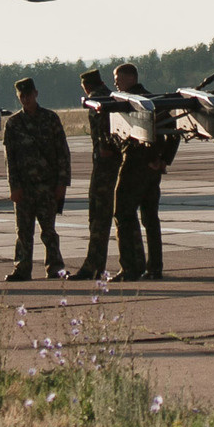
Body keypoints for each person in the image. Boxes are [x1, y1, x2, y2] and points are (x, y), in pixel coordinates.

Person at [111, 62, 181, 282]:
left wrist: (157, 159)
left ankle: (129, 267)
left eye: (118, 78)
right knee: (150, 219)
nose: (116, 83)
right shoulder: (153, 101)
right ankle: (154, 267)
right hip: (152, 169)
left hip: (134, 165)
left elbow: (170, 133)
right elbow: (173, 132)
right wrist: (163, 161)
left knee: (122, 214)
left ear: (131, 78)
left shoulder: (135, 102)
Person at [0, 76, 71, 282]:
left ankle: (55, 268)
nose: (25, 100)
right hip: (24, 188)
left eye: (28, 95)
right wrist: (13, 186)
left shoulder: (50, 119)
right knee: (23, 232)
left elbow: (63, 154)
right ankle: (22, 268)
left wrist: (62, 183)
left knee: (49, 231)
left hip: (47, 187)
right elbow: (9, 159)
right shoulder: (13, 124)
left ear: (36, 94)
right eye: (22, 96)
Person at [76, 69, 119, 281]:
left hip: (104, 167)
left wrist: (103, 146)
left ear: (86, 86)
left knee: (98, 216)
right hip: (115, 166)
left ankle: (93, 265)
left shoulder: (96, 101)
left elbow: (103, 132)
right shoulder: (112, 96)